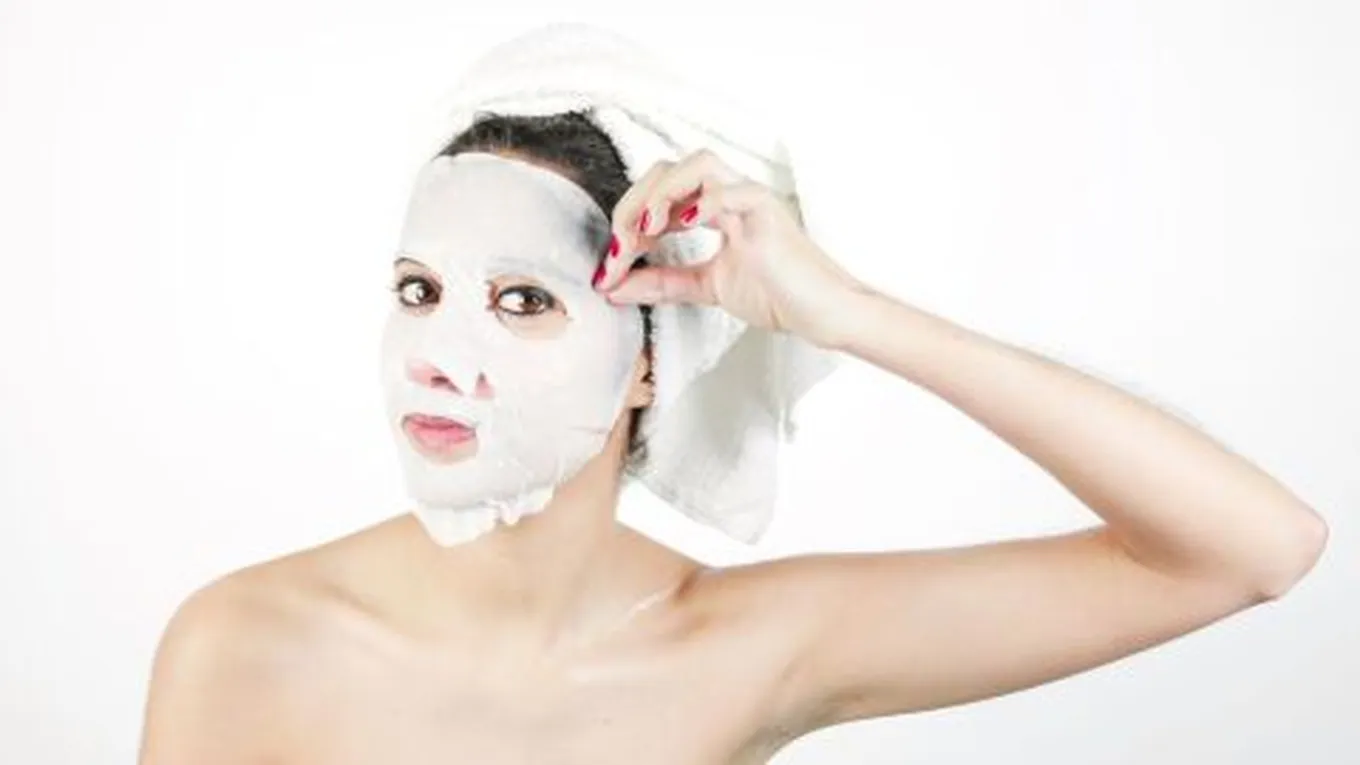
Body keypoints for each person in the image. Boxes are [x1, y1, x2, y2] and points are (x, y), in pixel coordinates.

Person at [137, 110, 1329, 765]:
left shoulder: (747, 648)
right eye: (418, 291)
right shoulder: (245, 644)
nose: (438, 354)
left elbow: (1250, 549)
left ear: (650, 360)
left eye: (523, 300)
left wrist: (849, 314)